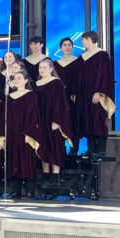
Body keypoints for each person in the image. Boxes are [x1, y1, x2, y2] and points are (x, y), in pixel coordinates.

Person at [73, 31, 115, 156]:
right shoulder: (82, 57)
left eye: (83, 39)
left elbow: (105, 75)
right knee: (88, 120)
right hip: (84, 95)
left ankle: (100, 149)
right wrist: (75, 92)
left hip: (96, 94)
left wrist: (99, 92)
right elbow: (78, 77)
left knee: (98, 119)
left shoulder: (102, 55)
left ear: (88, 39)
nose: (81, 42)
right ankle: (91, 149)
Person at [35, 58, 73, 186]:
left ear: (51, 69)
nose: (42, 69)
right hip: (41, 120)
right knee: (42, 145)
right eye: (40, 67)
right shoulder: (37, 84)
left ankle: (55, 174)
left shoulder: (56, 83)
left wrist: (56, 120)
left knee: (54, 146)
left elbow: (60, 103)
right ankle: (46, 173)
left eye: (45, 67)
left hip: (52, 119)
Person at [6, 71, 41, 199]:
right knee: (13, 160)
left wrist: (29, 133)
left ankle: (30, 191)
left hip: (25, 133)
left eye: (19, 78)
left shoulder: (31, 95)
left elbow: (32, 116)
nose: (16, 80)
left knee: (27, 161)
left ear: (26, 80)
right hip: (12, 133)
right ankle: (16, 191)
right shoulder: (10, 97)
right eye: (15, 78)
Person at [54, 37, 80, 155]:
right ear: (60, 48)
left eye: (69, 45)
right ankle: (61, 151)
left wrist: (74, 93)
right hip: (59, 99)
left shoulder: (78, 62)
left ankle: (74, 151)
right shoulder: (55, 64)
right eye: (64, 45)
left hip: (72, 98)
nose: (67, 47)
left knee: (73, 122)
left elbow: (80, 80)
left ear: (72, 47)